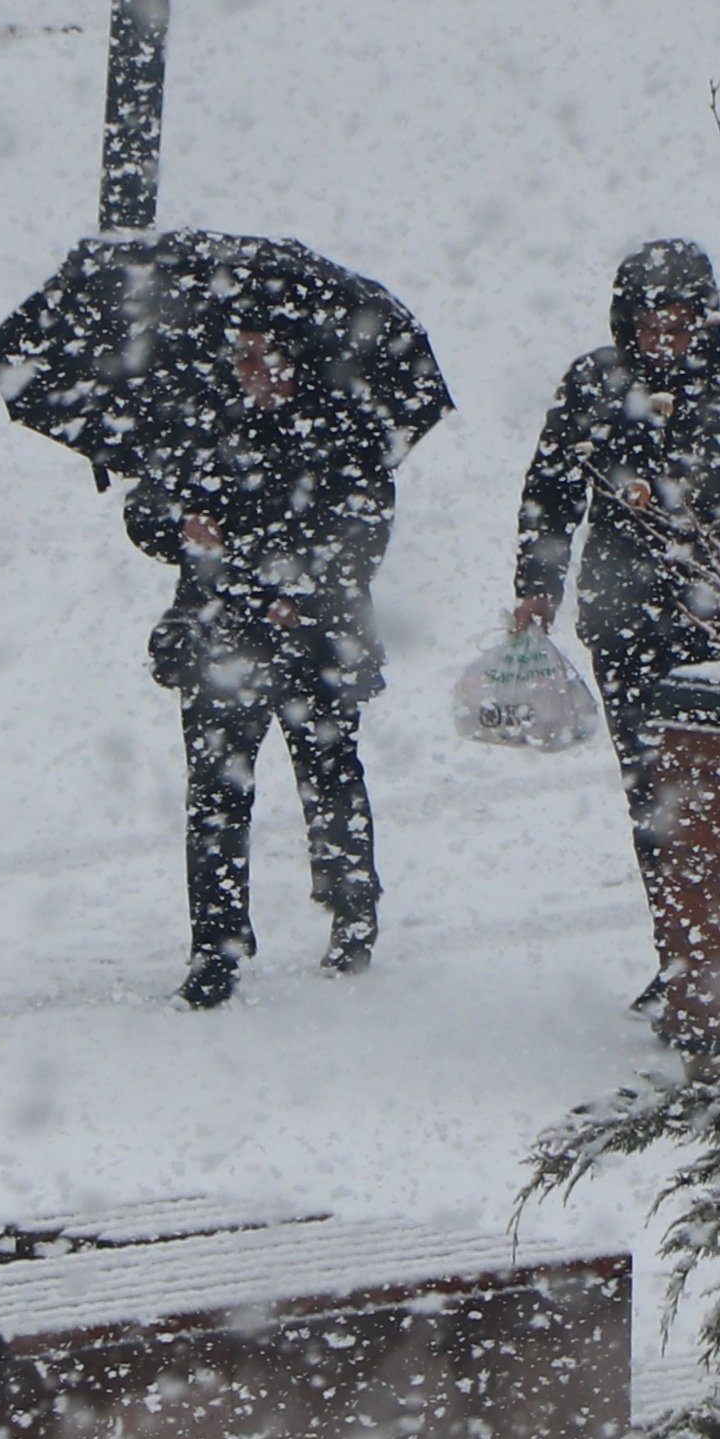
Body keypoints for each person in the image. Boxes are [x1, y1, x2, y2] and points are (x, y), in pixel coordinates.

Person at [510, 238, 720, 1003]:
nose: (664, 329)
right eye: (649, 315)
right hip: (623, 620)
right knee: (654, 795)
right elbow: (550, 491)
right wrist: (537, 586)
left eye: (679, 313)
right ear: (627, 318)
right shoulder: (595, 383)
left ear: (705, 314)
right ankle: (680, 957)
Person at [132, 317, 414, 1007]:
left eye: (261, 355)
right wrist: (179, 525)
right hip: (219, 637)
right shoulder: (204, 423)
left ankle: (352, 915)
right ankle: (216, 942)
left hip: (314, 639)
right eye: (240, 356)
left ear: (295, 358)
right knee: (216, 793)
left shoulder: (342, 428)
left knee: (329, 775)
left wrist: (302, 595)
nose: (248, 369)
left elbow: (365, 530)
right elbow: (145, 509)